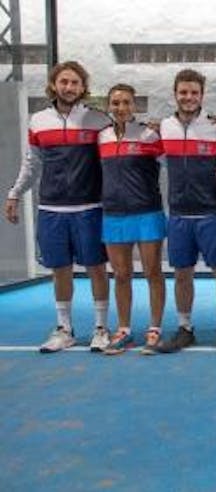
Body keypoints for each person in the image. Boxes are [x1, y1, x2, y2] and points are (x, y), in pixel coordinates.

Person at [4, 61, 112, 353]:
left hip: (90, 208)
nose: (69, 87)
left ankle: (101, 328)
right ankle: (65, 329)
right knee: (60, 270)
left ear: (82, 87)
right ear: (54, 84)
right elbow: (32, 164)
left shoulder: (99, 120)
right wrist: (14, 194)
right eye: (64, 81)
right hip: (52, 210)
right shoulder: (38, 121)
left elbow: (115, 160)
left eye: (75, 82)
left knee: (96, 268)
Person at [153, 68, 216, 354]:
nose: (188, 97)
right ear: (175, 94)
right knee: (181, 274)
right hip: (177, 215)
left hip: (211, 213)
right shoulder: (163, 128)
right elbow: (163, 161)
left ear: (202, 95)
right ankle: (185, 328)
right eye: (183, 92)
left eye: (194, 92)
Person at [97, 84, 166, 354]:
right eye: (116, 103)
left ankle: (154, 329)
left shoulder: (150, 135)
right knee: (122, 275)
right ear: (109, 106)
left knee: (152, 273)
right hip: (113, 215)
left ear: (134, 106)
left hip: (147, 212)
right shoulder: (101, 138)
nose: (121, 107)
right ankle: (123, 329)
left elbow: (174, 162)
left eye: (126, 102)